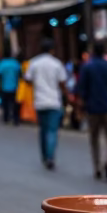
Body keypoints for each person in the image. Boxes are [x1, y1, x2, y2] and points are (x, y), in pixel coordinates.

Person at [78, 41, 107, 180]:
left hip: (92, 108)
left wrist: (80, 107)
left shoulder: (87, 67)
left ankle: (97, 167)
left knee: (94, 139)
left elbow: (81, 89)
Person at [24, 37, 69, 170]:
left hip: (39, 101)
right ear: (52, 50)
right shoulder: (57, 64)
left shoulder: (34, 63)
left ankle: (45, 156)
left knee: (43, 130)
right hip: (54, 101)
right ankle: (50, 156)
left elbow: (27, 80)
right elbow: (62, 82)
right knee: (52, 131)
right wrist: (67, 96)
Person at [0, 49, 21, 125]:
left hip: (4, 87)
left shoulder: (2, 63)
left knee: (5, 104)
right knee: (14, 104)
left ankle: (6, 118)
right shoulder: (15, 63)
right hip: (15, 87)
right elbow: (20, 73)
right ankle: (15, 119)